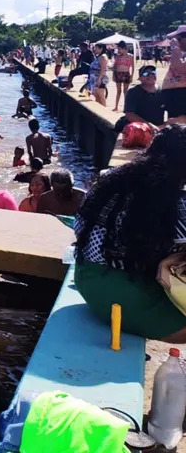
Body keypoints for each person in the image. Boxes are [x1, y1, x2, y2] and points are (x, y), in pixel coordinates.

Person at [74, 124, 186, 341]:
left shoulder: (109, 180)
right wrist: (171, 259)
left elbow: (79, 228)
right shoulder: (176, 202)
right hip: (126, 298)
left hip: (87, 279)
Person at [122, 64, 166, 130]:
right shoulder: (133, 92)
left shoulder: (162, 92)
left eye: (153, 73)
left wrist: (165, 125)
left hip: (159, 129)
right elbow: (129, 114)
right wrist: (148, 125)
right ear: (140, 78)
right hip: (139, 129)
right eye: (146, 74)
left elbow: (172, 111)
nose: (150, 75)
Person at [163, 26, 186, 124]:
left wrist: (174, 47)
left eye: (178, 39)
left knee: (178, 123)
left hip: (181, 95)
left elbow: (179, 67)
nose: (176, 42)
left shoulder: (177, 51)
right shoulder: (182, 53)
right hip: (176, 96)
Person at [112, 41, 135, 112]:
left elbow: (133, 67)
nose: (118, 50)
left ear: (124, 48)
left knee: (125, 92)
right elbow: (115, 66)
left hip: (126, 73)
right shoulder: (117, 56)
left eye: (119, 49)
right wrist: (113, 75)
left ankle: (126, 107)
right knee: (118, 91)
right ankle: (116, 106)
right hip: (118, 73)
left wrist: (132, 76)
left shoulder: (130, 56)